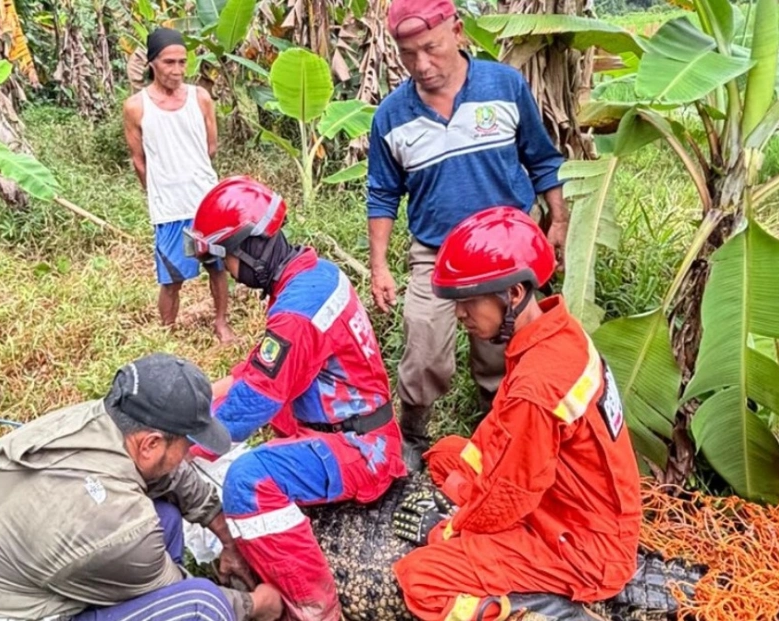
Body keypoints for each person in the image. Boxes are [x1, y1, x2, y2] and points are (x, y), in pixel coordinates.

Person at [0, 353, 283, 621]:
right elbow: (185, 596)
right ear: (150, 443)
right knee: (204, 606)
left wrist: (226, 538)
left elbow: (170, 474)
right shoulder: (121, 527)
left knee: (165, 518)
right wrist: (255, 605)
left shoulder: (99, 418)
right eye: (186, 444)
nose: (188, 455)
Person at [388, 208, 641, 621]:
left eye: (469, 302)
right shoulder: (557, 333)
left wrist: (446, 529)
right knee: (448, 452)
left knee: (421, 580)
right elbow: (500, 434)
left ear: (515, 294)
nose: (459, 314)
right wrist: (463, 484)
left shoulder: (536, 387)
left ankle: (555, 614)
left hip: (580, 545)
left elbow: (509, 496)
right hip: (572, 502)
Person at [184, 176, 408, 621]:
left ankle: (315, 609)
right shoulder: (314, 275)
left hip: (361, 450)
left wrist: (183, 445)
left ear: (250, 248)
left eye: (227, 258)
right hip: (354, 426)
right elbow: (258, 373)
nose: (227, 270)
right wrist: (200, 399)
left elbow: (254, 402)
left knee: (246, 479)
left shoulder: (296, 314)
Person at [367, 0, 569, 471]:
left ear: (457, 31)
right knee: (424, 344)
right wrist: (378, 265)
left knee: (504, 345)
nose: (422, 65)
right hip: (435, 253)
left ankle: (499, 429)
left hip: (505, 251)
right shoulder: (392, 117)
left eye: (431, 48)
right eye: (408, 54)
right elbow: (382, 194)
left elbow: (541, 159)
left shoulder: (503, 86)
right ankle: (413, 433)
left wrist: (557, 220)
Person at [124, 28, 235, 343]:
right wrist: (159, 190)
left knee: (217, 267)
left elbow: (211, 147)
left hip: (206, 203)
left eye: (182, 62)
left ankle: (221, 324)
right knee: (171, 279)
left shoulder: (200, 98)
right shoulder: (136, 106)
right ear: (152, 63)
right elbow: (139, 160)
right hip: (169, 208)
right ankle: (167, 335)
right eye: (168, 62)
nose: (176, 70)